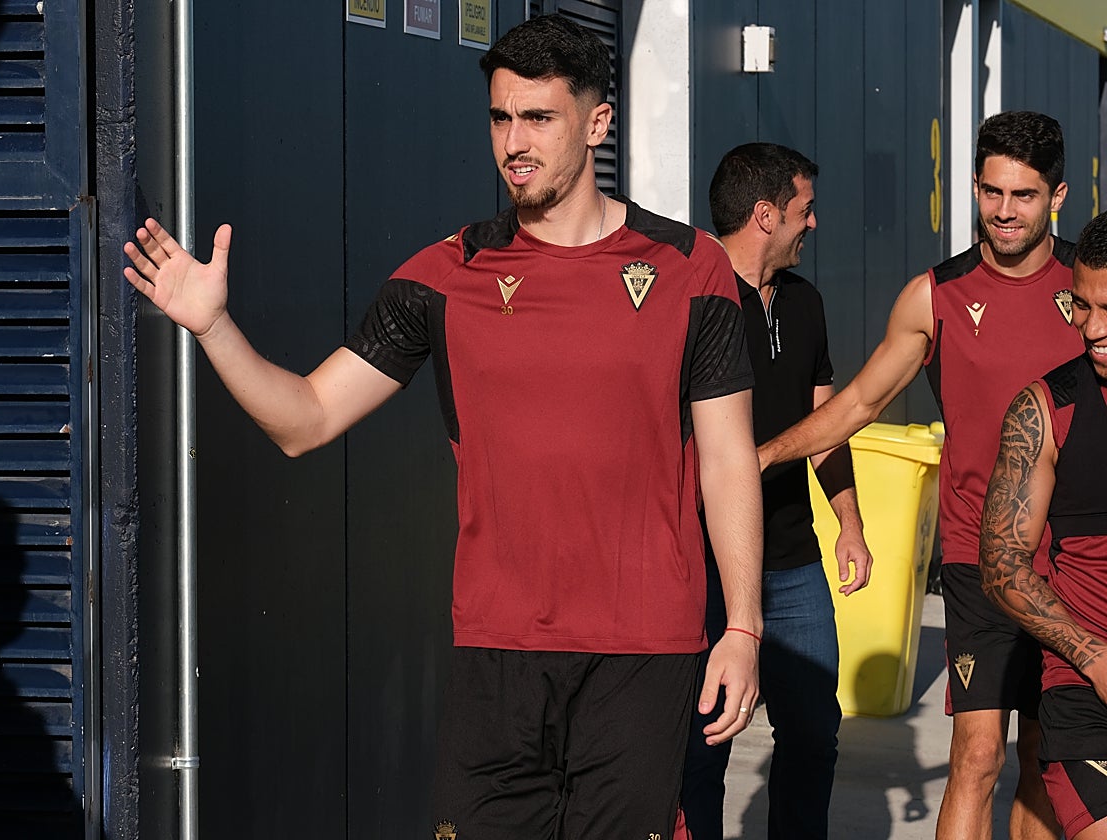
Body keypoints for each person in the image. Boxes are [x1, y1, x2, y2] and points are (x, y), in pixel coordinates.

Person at [123, 15, 764, 840]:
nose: (514, 143)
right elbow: (306, 419)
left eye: (539, 118)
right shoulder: (446, 275)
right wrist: (214, 328)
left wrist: (742, 626)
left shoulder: (691, 267)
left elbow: (726, 459)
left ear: (597, 123)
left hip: (644, 651)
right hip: (495, 652)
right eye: (500, 118)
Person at [757, 110, 1081, 840]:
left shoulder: (1087, 291)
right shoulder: (935, 296)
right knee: (977, 755)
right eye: (991, 192)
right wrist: (764, 455)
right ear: (974, 186)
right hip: (977, 558)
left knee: (1044, 756)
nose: (1004, 211)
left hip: (1070, 560)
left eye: (1024, 195)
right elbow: (859, 403)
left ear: (1058, 196)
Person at [680, 143, 873, 840]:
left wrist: (849, 522)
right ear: (766, 215)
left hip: (794, 561)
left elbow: (826, 427)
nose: (813, 223)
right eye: (805, 209)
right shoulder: (692, 302)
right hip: (707, 565)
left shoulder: (805, 302)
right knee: (705, 744)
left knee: (814, 734)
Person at [980, 210, 1107, 840]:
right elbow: (1002, 566)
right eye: (1082, 306)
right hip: (1084, 691)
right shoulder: (1044, 410)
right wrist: (1095, 658)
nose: (1093, 329)